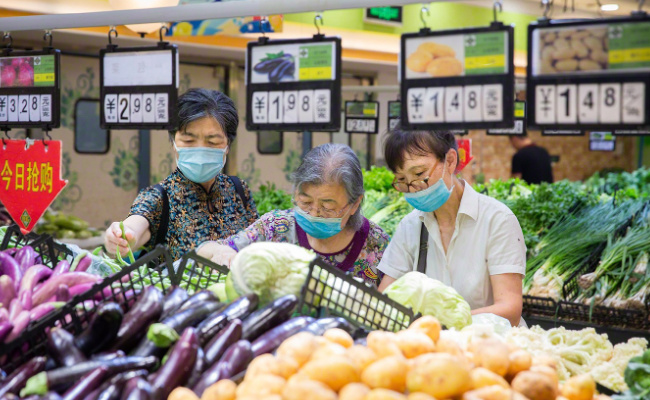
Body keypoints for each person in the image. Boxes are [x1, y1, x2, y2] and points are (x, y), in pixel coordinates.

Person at [376, 128, 526, 326]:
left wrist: (442, 325)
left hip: (489, 347)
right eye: (402, 180)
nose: (413, 188)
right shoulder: (410, 226)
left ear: (450, 161)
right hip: (429, 348)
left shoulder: (497, 220)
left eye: (419, 174)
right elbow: (382, 303)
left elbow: (509, 309)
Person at [197, 143, 390, 287]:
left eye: (328, 207)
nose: (314, 212)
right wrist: (221, 251)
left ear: (355, 203)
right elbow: (204, 251)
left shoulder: (376, 244)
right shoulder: (275, 228)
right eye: (305, 202)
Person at [104, 88, 259, 261]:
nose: (200, 150)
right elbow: (137, 226)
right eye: (188, 141)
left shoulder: (239, 189)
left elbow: (257, 238)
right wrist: (122, 236)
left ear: (228, 145)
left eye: (213, 141)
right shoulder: (159, 196)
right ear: (173, 142)